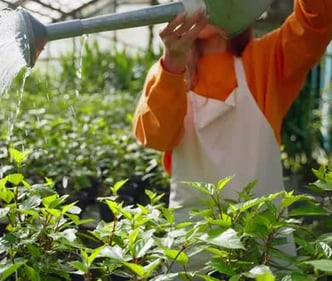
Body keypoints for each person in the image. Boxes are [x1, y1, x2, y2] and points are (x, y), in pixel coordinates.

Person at [132, 0, 332, 275]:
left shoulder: (266, 59)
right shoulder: (168, 71)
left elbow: (315, 23)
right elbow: (155, 137)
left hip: (263, 239)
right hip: (194, 241)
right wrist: (173, 65)